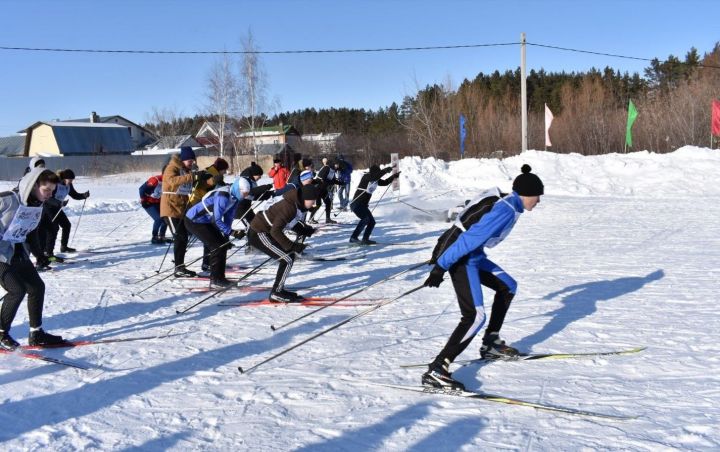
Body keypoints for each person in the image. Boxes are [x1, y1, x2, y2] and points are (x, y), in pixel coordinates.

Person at [421, 164, 544, 391]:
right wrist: (441, 265)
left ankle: (491, 343)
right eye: (537, 196)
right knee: (474, 316)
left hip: (473, 256)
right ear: (527, 194)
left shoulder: (510, 202)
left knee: (508, 286)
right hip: (463, 258)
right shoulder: (505, 209)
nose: (538, 201)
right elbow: (469, 239)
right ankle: (438, 369)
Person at [0, 168, 66, 350]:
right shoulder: (6, 200)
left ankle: (36, 333)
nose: (50, 194)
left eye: (52, 191)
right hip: (1, 255)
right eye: (46, 190)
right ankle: (1, 333)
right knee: (16, 290)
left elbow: (32, 233)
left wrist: (40, 256)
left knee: (37, 287)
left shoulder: (36, 205)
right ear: (33, 185)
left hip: (18, 253)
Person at [247, 184, 318, 303]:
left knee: (288, 257)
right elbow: (276, 231)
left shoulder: (294, 204)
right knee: (287, 259)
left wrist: (308, 231)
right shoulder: (290, 207)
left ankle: (279, 290)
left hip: (266, 231)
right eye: (312, 200)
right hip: (259, 232)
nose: (314, 203)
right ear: (305, 198)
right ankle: (276, 293)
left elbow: (292, 223)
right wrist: (293, 246)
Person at [184, 178, 247, 288]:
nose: (245, 196)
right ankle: (215, 280)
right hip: (194, 220)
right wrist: (232, 232)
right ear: (238, 189)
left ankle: (220, 278)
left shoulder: (235, 198)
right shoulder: (223, 196)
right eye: (244, 193)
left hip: (206, 221)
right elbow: (217, 220)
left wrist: (227, 237)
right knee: (217, 246)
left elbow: (228, 219)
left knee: (222, 244)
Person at [160, 146, 212, 278]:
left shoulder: (185, 170)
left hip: (182, 207)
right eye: (189, 160)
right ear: (183, 159)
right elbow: (171, 181)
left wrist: (202, 178)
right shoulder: (171, 167)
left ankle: (180, 265)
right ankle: (178, 267)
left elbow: (191, 183)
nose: (192, 162)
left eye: (192, 160)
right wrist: (192, 176)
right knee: (180, 236)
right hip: (170, 207)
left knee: (184, 236)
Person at [41, 169, 90, 257]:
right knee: (53, 229)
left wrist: (83, 195)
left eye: (72, 180)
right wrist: (59, 203)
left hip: (57, 208)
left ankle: (64, 247)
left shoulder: (68, 185)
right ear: (64, 178)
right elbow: (47, 198)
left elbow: (74, 195)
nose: (71, 181)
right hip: (48, 208)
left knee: (67, 225)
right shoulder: (55, 184)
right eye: (70, 179)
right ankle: (48, 252)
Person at [348, 164, 400, 245]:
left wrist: (393, 176)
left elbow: (385, 182)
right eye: (378, 172)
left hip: (363, 205)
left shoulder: (375, 179)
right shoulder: (366, 176)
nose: (378, 174)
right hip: (356, 204)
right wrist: (385, 170)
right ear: (374, 172)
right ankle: (353, 238)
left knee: (372, 222)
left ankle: (365, 239)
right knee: (365, 219)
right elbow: (374, 177)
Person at [139, 173, 169, 245]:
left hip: (158, 202)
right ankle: (154, 237)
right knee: (158, 219)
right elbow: (142, 189)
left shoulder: (170, 181)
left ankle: (162, 236)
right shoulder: (156, 180)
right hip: (148, 203)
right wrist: (143, 200)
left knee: (165, 218)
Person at [309, 158, 339, 224]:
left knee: (328, 202)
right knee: (318, 204)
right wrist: (331, 182)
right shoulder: (326, 168)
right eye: (336, 164)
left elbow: (333, 180)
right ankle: (311, 218)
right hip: (318, 188)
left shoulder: (332, 170)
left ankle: (328, 219)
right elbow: (323, 179)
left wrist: (341, 183)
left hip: (323, 189)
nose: (337, 166)